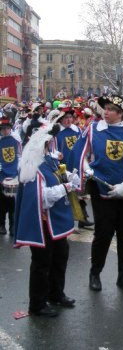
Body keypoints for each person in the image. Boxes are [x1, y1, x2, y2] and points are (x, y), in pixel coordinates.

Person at [70, 93, 123, 292]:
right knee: (103, 233)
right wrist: (88, 170)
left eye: (110, 109)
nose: (105, 112)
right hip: (101, 190)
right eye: (105, 108)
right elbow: (80, 153)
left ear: (121, 113)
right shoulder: (93, 129)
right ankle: (95, 273)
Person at [15, 123, 78, 317]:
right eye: (48, 141)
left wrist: (71, 176)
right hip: (42, 224)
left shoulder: (48, 161)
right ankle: (37, 305)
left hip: (55, 222)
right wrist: (66, 187)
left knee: (60, 257)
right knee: (42, 264)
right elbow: (42, 198)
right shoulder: (33, 168)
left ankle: (56, 294)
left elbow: (58, 174)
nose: (51, 144)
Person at [0, 113, 21, 236]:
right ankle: (2, 224)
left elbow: (19, 154)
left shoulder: (15, 140)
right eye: (3, 129)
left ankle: (13, 225)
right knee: (1, 202)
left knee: (13, 202)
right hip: (1, 174)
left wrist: (17, 167)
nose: (6, 131)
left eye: (8, 128)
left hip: (13, 174)